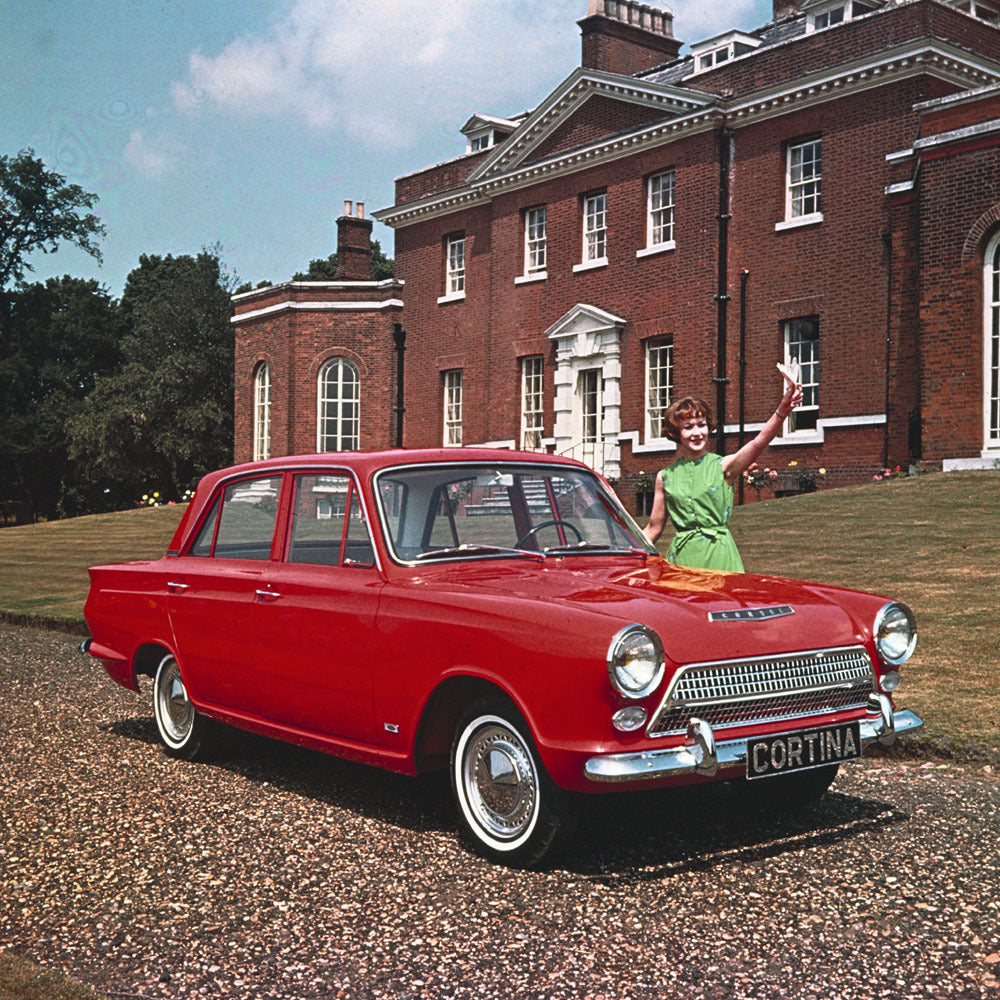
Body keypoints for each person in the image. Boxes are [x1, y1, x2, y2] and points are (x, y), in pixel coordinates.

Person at [643, 379, 803, 571]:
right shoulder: (665, 476)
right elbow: (653, 529)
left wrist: (781, 412)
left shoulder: (723, 466)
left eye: (701, 425)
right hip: (682, 561)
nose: (697, 433)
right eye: (688, 427)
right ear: (676, 433)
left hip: (719, 558)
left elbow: (758, 443)